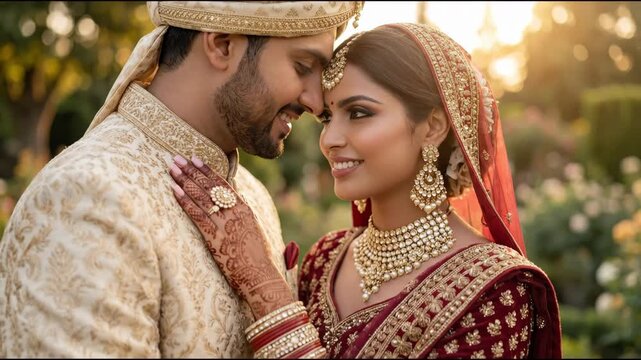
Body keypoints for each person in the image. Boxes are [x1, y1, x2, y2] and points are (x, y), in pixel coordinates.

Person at [169, 22, 563, 359]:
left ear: (433, 126)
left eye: (359, 113)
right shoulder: (326, 258)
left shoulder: (494, 291)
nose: (330, 139)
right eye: (327, 117)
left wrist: (266, 290)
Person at [0, 1, 364, 357]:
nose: (318, 102)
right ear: (222, 44)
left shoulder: (252, 194)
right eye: (302, 66)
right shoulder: (85, 197)